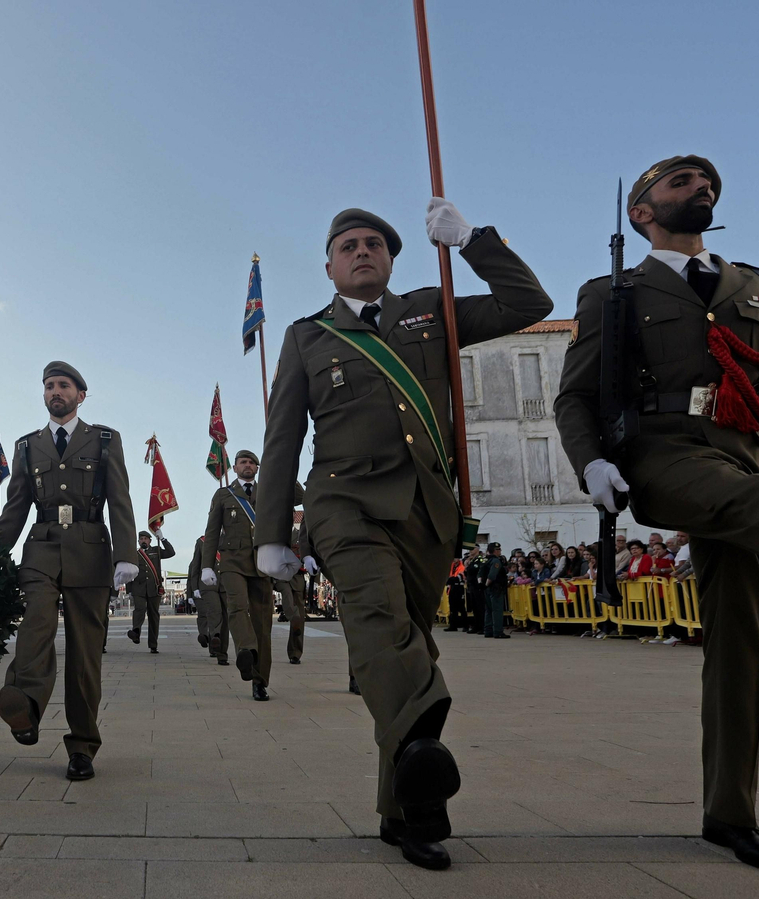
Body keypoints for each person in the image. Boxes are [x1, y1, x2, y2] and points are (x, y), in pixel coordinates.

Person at [554, 154, 759, 873]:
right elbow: (574, 396)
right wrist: (591, 462)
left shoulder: (758, 287)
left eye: (706, 181)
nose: (700, 188)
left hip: (746, 455)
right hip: (665, 455)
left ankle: (730, 813)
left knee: (740, 641)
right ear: (641, 211)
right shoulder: (612, 291)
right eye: (680, 182)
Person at [255, 200, 552, 870]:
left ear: (391, 259)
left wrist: (473, 240)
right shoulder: (307, 337)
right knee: (384, 626)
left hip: (426, 512)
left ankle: (402, 809)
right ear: (329, 265)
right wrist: (273, 531)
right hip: (343, 506)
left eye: (375, 244)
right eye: (348, 245)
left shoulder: (430, 308)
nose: (362, 251)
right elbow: (282, 440)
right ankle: (429, 786)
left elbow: (528, 302)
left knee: (406, 650)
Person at [0, 361, 135, 782]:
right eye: (49, 385)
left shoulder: (105, 439)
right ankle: (25, 706)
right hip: (41, 549)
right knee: (35, 625)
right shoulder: (27, 446)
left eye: (63, 385)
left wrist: (127, 554)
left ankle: (83, 746)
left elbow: (121, 498)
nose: (55, 391)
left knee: (86, 654)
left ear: (80, 395)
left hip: (90, 550)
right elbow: (15, 508)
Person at [202, 450, 290, 701]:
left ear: (258, 468)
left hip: (261, 564)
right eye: (243, 462)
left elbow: (300, 496)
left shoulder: (270, 492)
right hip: (231, 562)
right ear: (236, 467)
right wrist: (207, 566)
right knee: (237, 607)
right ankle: (246, 651)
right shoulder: (223, 495)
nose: (248, 465)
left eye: (252, 462)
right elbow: (211, 531)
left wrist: (280, 466)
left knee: (263, 623)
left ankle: (259, 681)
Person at [276, 515, 318, 664]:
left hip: (298, 579)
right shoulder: (277, 534)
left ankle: (295, 653)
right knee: (289, 605)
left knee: (300, 616)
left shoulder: (301, 535)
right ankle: (291, 617)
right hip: (281, 577)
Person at [126, 530, 175, 653]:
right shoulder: (134, 554)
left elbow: (171, 553)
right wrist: (129, 589)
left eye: (145, 539)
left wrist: (163, 539)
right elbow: (128, 571)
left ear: (150, 541)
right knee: (139, 609)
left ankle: (153, 644)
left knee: (153, 615)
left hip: (154, 588)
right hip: (138, 588)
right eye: (141, 539)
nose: (143, 541)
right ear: (138, 541)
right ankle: (136, 632)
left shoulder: (156, 551)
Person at [189, 534, 228, 664]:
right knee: (215, 611)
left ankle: (222, 654)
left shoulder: (231, 537)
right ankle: (215, 635)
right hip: (207, 584)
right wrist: (194, 588)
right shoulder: (202, 541)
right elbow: (195, 566)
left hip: (226, 583)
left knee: (226, 617)